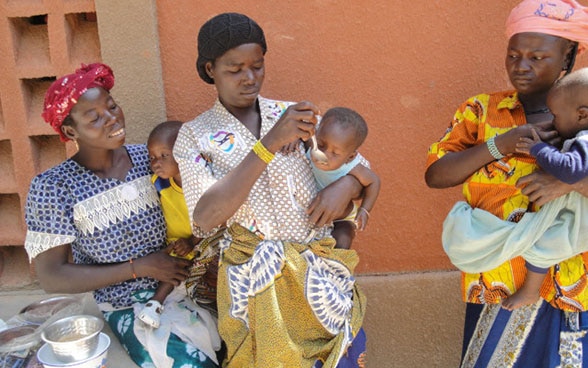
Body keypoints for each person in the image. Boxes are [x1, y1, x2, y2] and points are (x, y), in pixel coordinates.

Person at [173, 12, 367, 368]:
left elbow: (357, 167)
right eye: (235, 70)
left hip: (320, 283)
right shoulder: (195, 136)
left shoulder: (297, 116)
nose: (250, 79)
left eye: (257, 67)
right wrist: (269, 143)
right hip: (256, 292)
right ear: (209, 69)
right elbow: (205, 218)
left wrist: (348, 186)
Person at [24, 63, 221, 368]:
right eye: (94, 117)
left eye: (112, 106)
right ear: (70, 131)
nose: (112, 118)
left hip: (195, 280)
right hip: (128, 303)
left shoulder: (152, 159)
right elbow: (51, 276)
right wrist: (139, 267)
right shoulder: (54, 187)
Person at [425, 0, 588, 366]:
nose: (521, 66)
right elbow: (436, 174)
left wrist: (566, 184)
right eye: (513, 55)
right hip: (498, 280)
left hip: (575, 282)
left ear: (568, 57)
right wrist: (500, 144)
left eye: (536, 57)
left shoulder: (585, 115)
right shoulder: (481, 111)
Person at [139, 120, 220, 329]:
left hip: (201, 238)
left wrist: (192, 241)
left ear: (184, 151)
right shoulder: (159, 182)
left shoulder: (203, 182)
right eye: (152, 157)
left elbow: (215, 217)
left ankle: (159, 301)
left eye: (164, 155)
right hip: (177, 241)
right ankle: (155, 304)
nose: (156, 162)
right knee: (173, 264)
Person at [308, 107, 380, 249]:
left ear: (350, 156)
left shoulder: (352, 166)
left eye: (335, 153)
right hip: (315, 209)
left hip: (341, 216)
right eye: (321, 145)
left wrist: (365, 210)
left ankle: (338, 270)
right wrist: (291, 141)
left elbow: (374, 181)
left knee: (343, 239)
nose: (323, 155)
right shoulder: (309, 144)